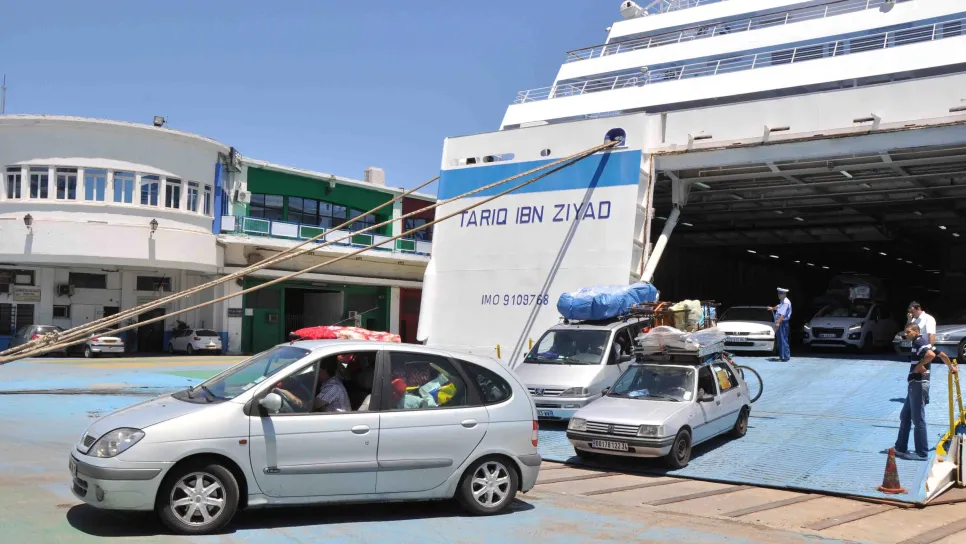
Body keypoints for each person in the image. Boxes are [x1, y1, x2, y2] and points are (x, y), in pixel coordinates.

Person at [894, 323, 957, 460]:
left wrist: (919, 366)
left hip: (918, 384)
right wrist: (950, 367)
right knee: (905, 416)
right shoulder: (924, 343)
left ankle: (921, 453)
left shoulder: (919, 342)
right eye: (906, 332)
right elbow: (942, 354)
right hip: (914, 384)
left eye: (909, 332)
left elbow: (930, 355)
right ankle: (900, 448)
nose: (906, 334)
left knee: (918, 419)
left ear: (917, 332)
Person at [768, 287, 793, 362]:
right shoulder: (782, 301)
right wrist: (772, 308)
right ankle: (782, 356)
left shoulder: (785, 302)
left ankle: (785, 357)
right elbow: (778, 307)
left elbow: (782, 314)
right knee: (780, 340)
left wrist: (778, 323)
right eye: (779, 293)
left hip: (782, 323)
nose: (779, 295)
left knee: (783, 339)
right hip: (781, 322)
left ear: (784, 294)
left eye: (781, 294)